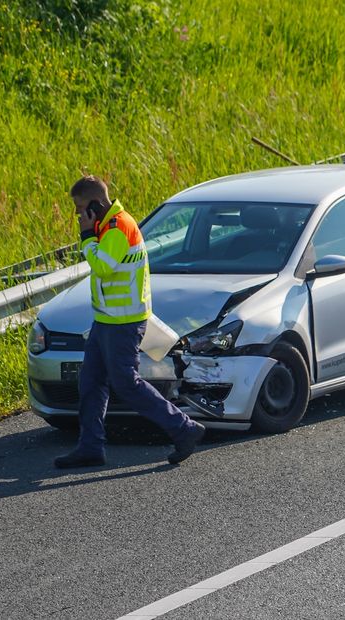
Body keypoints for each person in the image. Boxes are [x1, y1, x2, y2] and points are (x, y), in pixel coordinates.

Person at [54, 175, 205, 468]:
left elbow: (104, 267)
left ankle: (184, 428)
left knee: (126, 384)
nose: (76, 214)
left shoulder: (117, 228)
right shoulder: (106, 226)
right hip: (107, 319)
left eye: (80, 207)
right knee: (91, 381)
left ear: (95, 206)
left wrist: (86, 238)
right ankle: (90, 447)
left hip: (123, 322)